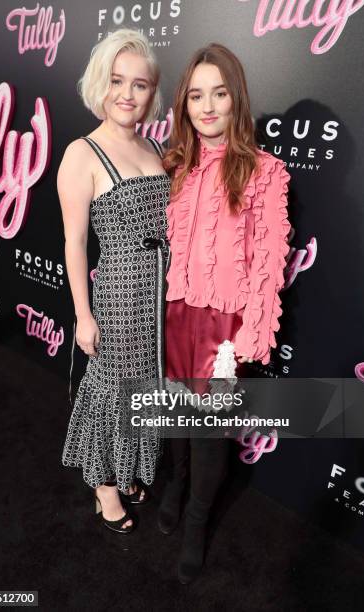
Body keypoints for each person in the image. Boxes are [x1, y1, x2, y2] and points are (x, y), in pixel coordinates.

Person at [160, 43, 291, 582]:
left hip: (223, 326)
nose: (208, 106)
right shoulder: (176, 166)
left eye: (219, 93)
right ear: (184, 104)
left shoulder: (266, 172)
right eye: (196, 95)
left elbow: (269, 259)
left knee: (209, 431)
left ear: (236, 99)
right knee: (174, 414)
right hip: (176, 313)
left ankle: (195, 522)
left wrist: (252, 332)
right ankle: (175, 482)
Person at [58, 28, 170, 534]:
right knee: (115, 390)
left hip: (162, 292)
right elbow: (75, 244)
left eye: (140, 84)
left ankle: (126, 470)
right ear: (100, 85)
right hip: (121, 294)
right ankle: (104, 487)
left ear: (153, 92)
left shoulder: (154, 147)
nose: (128, 94)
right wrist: (83, 314)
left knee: (147, 388)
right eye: (117, 81)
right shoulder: (82, 154)